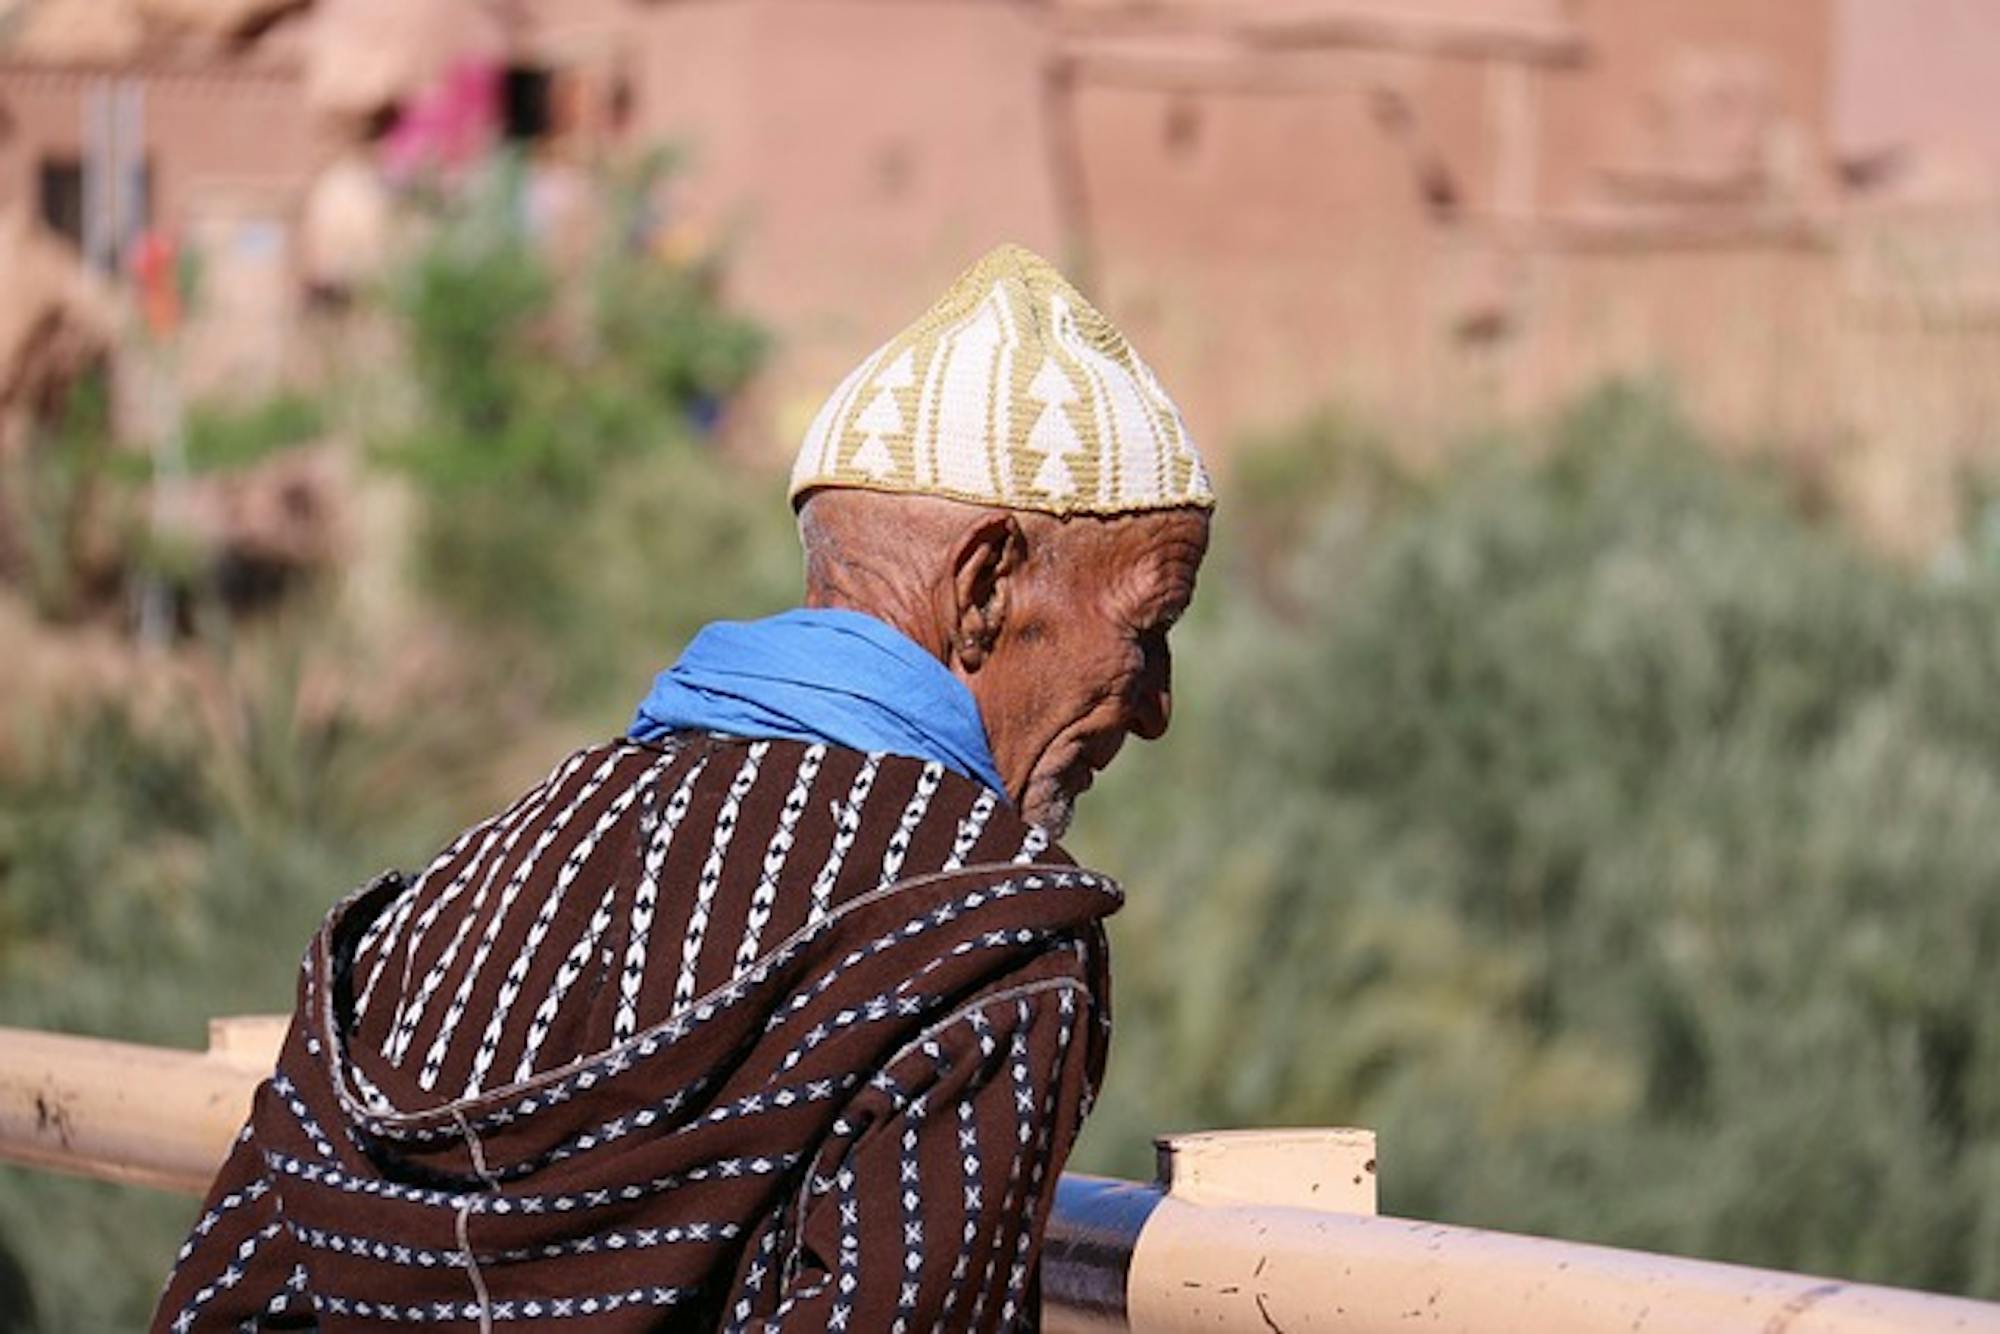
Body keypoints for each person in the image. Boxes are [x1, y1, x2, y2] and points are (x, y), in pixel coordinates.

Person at [155, 244, 1213, 1332]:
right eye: (1148, 628)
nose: (1155, 706)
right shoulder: (983, 935)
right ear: (984, 583)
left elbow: (218, 1301)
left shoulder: (482, 868)